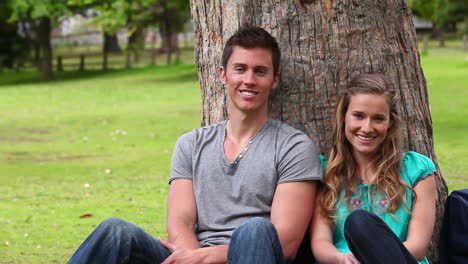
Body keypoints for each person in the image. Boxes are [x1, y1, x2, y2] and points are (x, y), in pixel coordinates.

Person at [68, 25, 323, 264]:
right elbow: (180, 222)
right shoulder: (191, 144)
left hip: (251, 256)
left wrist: (206, 257)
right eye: (240, 69)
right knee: (116, 231)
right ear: (223, 74)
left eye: (260, 71)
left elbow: (285, 243)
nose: (249, 80)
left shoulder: (294, 147)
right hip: (193, 257)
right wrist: (195, 258)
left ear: (274, 79)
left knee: (255, 229)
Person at [310, 73, 437, 264]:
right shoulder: (327, 173)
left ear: (390, 122)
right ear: (344, 116)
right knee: (358, 222)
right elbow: (320, 242)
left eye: (378, 119)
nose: (367, 128)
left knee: (359, 222)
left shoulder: (416, 170)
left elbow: (418, 247)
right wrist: (340, 258)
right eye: (358, 116)